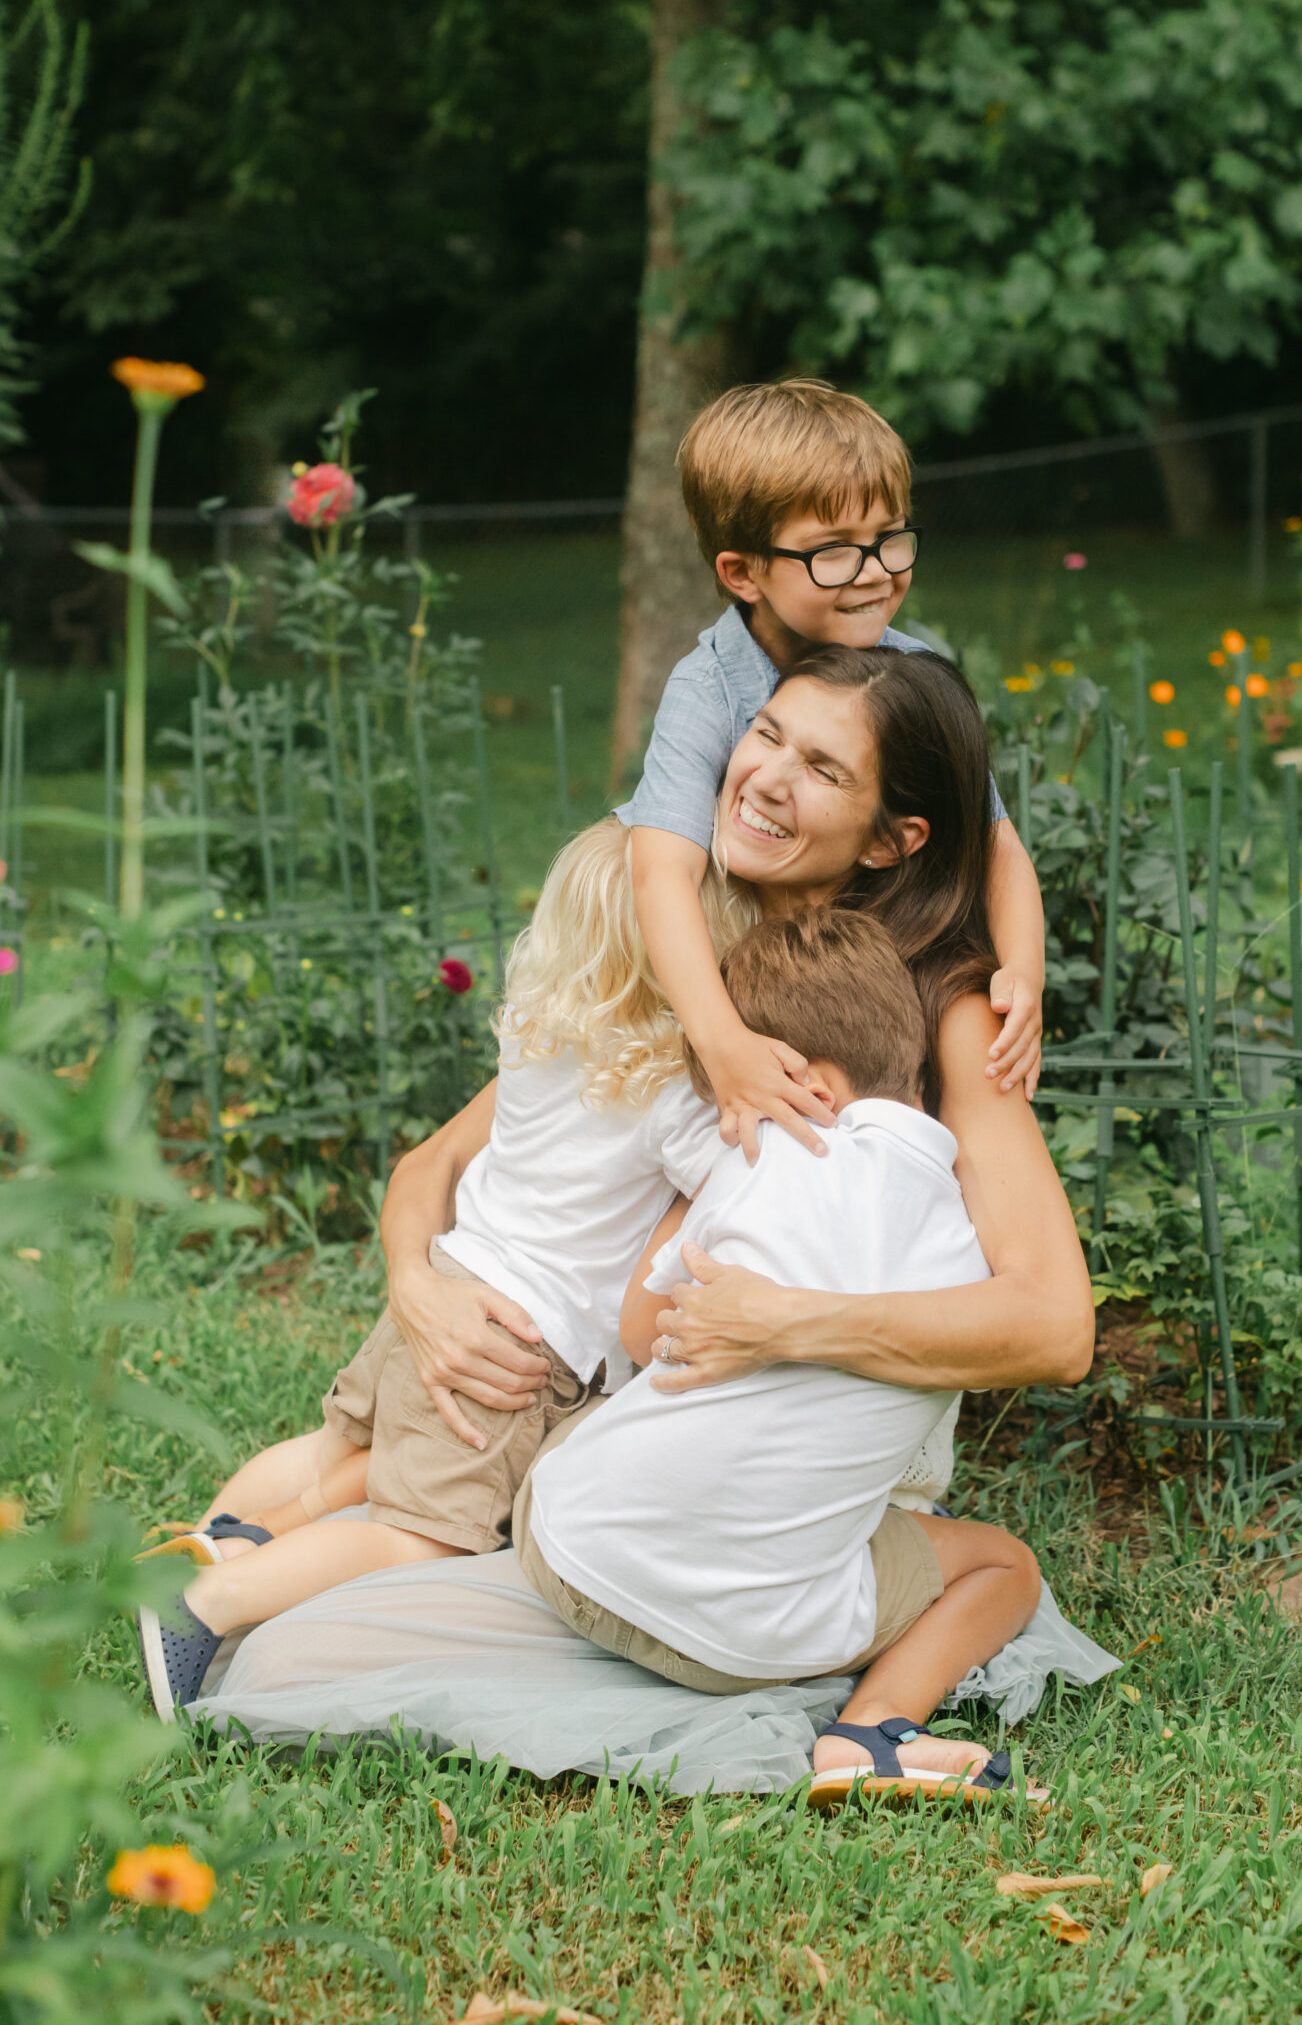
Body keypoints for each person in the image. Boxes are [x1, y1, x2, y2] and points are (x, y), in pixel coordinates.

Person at [382, 647, 1092, 1537]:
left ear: (889, 838)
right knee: (402, 1474)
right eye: (766, 736)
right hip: (636, 1413)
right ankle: (212, 1571)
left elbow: (1056, 1328)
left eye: (824, 769)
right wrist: (420, 1290)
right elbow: (445, 1155)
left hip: (800, 1476)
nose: (765, 779)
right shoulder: (700, 945)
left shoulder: (942, 1010)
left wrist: (786, 1324)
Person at [135, 817, 749, 1720]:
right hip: (510, 1349)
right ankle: (203, 1608)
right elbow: (742, 1172)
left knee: (340, 1449)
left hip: (444, 1278)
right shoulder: (671, 1097)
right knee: (424, 1541)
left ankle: (214, 1542)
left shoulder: (538, 1040)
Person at [516, 906, 1044, 1804]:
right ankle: (874, 1728)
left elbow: (643, 1331)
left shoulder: (762, 1153)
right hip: (747, 1648)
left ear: (807, 1083)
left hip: (569, 1553)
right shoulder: (973, 1241)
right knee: (1004, 1565)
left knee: (610, 1416)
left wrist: (695, 1199)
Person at [616, 379, 1046, 1156]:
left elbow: (997, 844)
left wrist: (1022, 971)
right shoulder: (708, 686)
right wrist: (720, 1042)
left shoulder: (908, 674)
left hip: (854, 950)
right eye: (833, 551)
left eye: (890, 537)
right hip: (730, 958)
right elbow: (660, 875)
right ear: (743, 574)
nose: (875, 571)